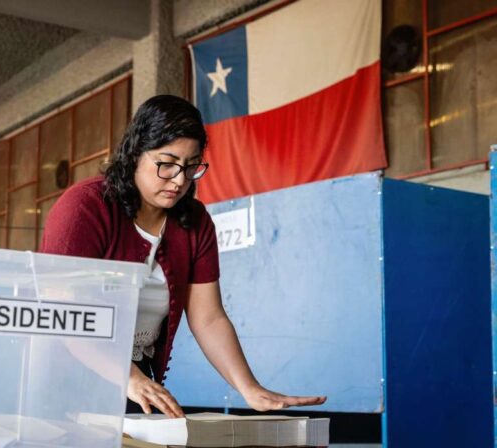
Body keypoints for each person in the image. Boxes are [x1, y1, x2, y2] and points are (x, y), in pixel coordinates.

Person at [40, 95, 326, 417]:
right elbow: (62, 311)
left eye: (191, 167)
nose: (179, 180)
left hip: (133, 379)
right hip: (63, 377)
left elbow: (209, 318)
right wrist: (130, 377)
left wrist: (249, 387)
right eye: (167, 163)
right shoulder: (84, 208)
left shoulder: (195, 222)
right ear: (135, 152)